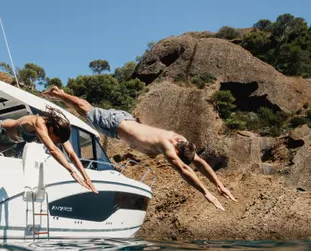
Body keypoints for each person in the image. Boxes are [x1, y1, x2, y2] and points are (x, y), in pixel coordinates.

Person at [41, 86, 236, 211]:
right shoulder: (168, 146)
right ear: (176, 152)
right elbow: (185, 170)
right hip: (116, 125)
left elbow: (199, 163)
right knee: (86, 109)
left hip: (125, 121)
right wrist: (206, 193)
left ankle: (59, 94)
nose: (173, 159)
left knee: (87, 110)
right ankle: (58, 93)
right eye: (175, 158)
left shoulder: (181, 141)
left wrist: (219, 184)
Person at [0, 106, 98, 193]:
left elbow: (71, 154)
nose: (57, 143)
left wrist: (86, 177)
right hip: (1, 130)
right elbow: (53, 150)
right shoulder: (39, 122)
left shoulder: (55, 133)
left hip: (11, 141)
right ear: (51, 129)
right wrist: (72, 172)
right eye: (58, 140)